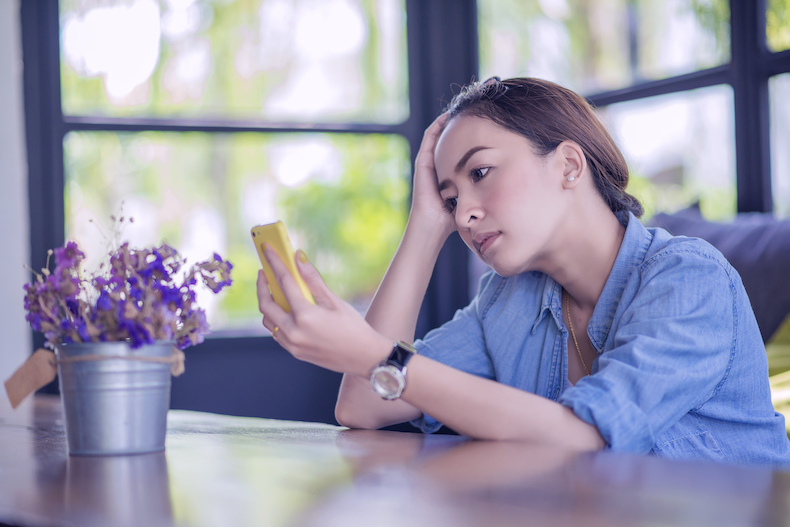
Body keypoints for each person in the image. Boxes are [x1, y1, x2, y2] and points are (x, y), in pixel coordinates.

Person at [256, 77, 790, 467]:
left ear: (569, 165)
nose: (462, 215)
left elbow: (584, 435)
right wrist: (423, 225)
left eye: (480, 172)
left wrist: (374, 354)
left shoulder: (689, 278)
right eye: (450, 198)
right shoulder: (508, 300)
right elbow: (364, 403)